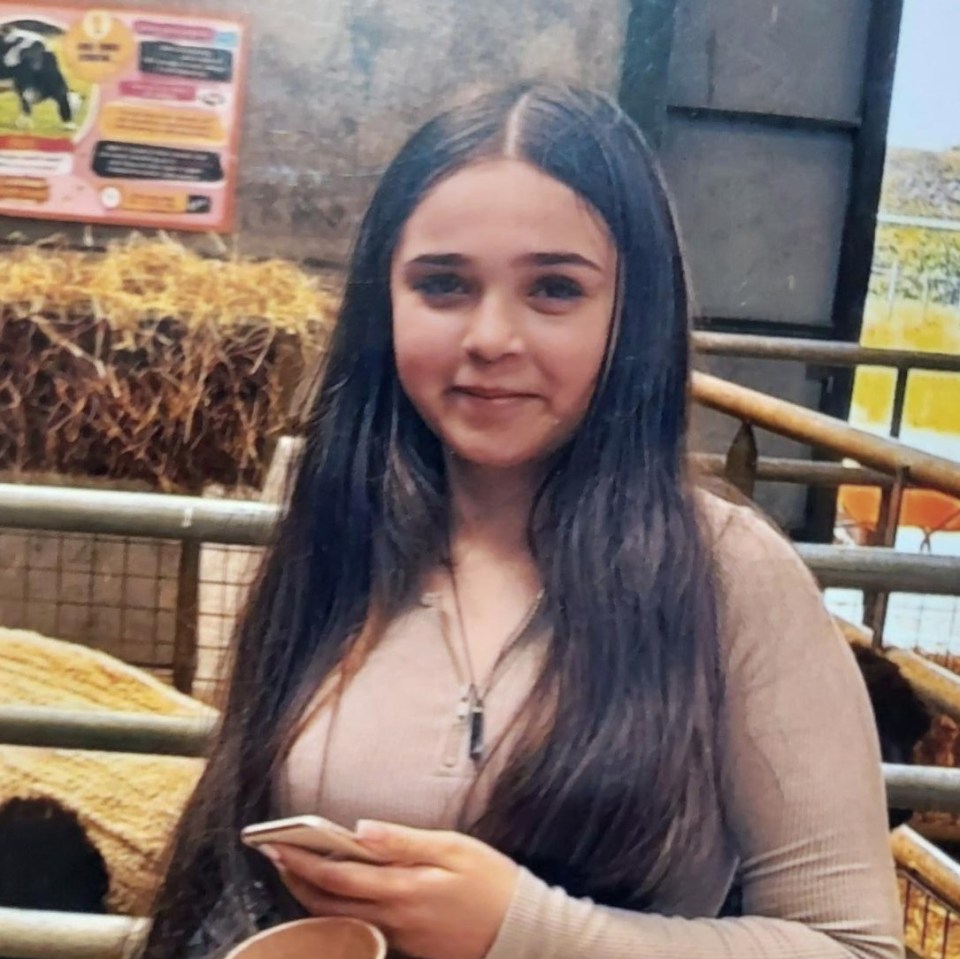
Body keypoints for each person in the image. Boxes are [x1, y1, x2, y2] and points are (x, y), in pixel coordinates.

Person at [142, 83, 904, 959]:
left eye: (553, 288)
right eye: (442, 284)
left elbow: (852, 944)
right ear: (382, 300)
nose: (491, 336)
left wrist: (527, 931)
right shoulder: (338, 535)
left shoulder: (725, 574)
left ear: (632, 313)